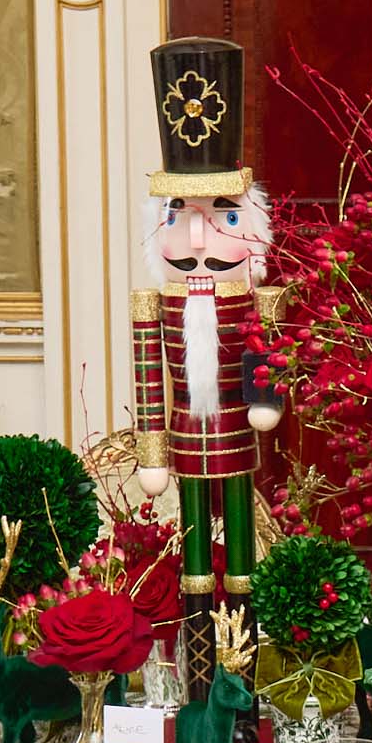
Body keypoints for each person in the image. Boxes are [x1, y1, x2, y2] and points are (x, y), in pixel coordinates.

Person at [131, 38, 284, 707]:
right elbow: (146, 382)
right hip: (186, 445)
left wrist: (265, 400)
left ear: (250, 226)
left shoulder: (253, 298)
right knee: (196, 573)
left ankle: (242, 696)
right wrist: (150, 451)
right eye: (182, 219)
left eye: (220, 219)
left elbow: (268, 351)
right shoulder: (154, 306)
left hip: (234, 436)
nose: (198, 242)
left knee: (242, 569)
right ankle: (198, 692)